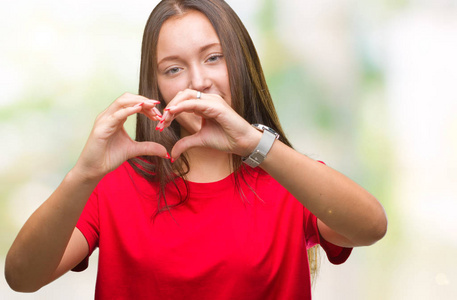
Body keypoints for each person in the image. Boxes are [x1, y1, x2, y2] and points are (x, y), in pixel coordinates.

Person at [5, 0, 388, 299]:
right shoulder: (113, 186)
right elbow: (21, 278)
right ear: (157, 89)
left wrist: (256, 144)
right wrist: (82, 174)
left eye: (213, 57)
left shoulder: (289, 176)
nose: (199, 81)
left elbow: (371, 228)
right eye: (174, 69)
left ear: (241, 63)